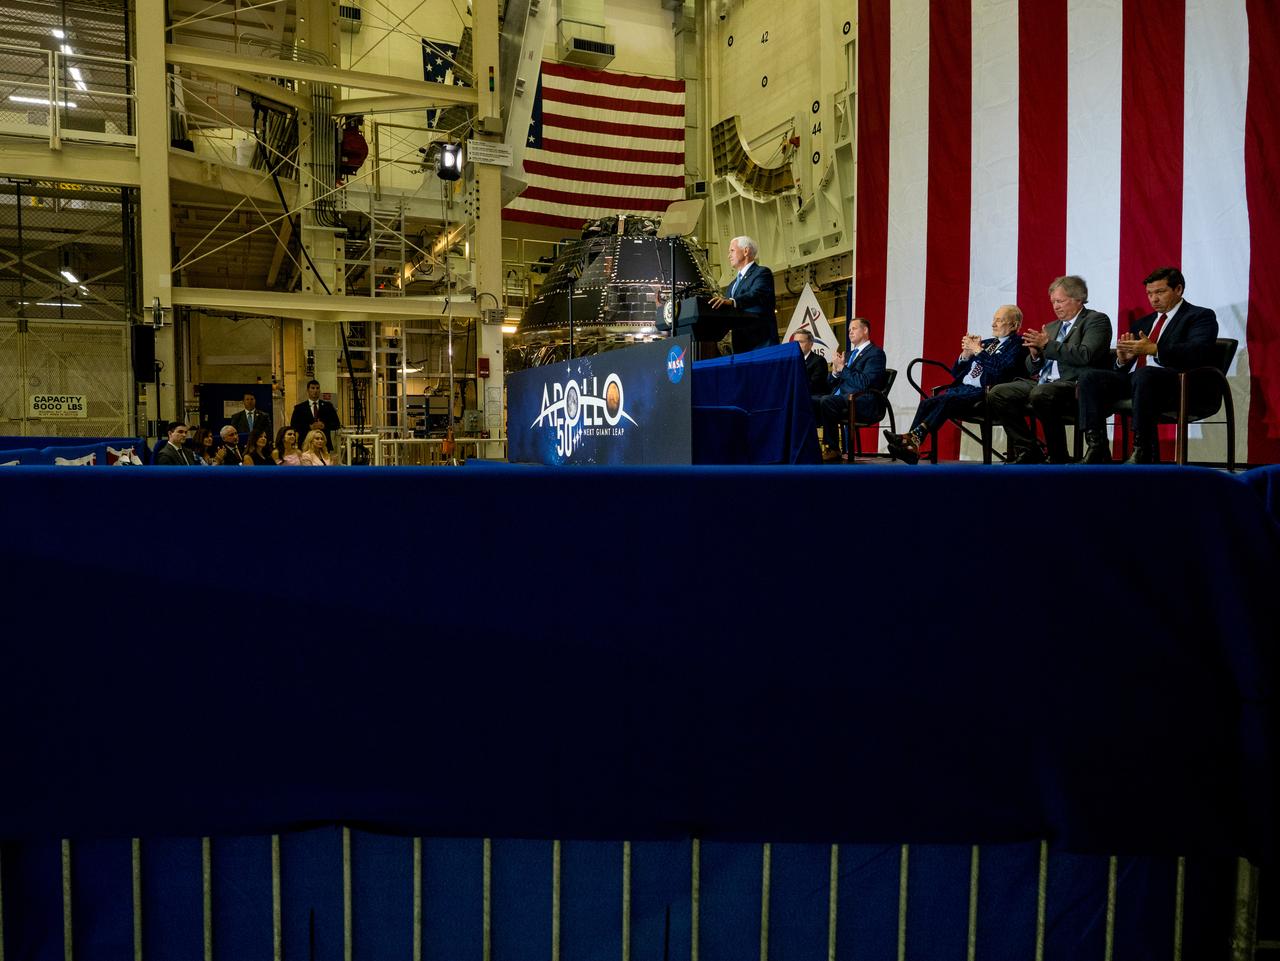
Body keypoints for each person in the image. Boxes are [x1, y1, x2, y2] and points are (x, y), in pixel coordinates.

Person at [1077, 267, 1219, 464]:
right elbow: (1126, 366)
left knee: (1145, 375)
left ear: (1178, 289)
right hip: (1141, 381)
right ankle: (1097, 447)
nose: (1153, 299)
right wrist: (1123, 361)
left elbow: (1198, 352)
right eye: (1150, 294)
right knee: (1090, 377)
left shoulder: (1199, 316)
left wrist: (1155, 349)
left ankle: (1142, 449)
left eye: (1160, 292)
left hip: (1179, 384)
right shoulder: (1143, 323)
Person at [987, 276, 1113, 464]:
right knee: (999, 393)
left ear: (1079, 299)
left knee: (1042, 393)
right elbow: (1032, 368)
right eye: (1053, 301)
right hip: (1043, 382)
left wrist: (1048, 344)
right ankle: (1029, 449)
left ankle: (1057, 454)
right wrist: (1036, 355)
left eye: (1060, 301)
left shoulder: (1096, 321)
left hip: (1075, 385)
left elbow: (1086, 355)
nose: (1056, 306)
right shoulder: (1052, 327)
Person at [885, 305, 1025, 465]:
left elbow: (1000, 370)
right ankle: (910, 446)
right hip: (963, 389)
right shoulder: (987, 343)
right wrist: (965, 355)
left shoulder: (1018, 345)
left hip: (984, 393)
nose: (993, 324)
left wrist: (978, 351)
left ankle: (910, 442)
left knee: (947, 400)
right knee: (926, 403)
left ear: (1014, 325)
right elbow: (956, 373)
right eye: (993, 320)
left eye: (999, 320)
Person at [810, 317, 887, 462]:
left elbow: (865, 383)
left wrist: (843, 369)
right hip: (841, 398)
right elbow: (832, 385)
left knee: (827, 401)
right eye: (849, 330)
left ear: (865, 330)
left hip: (862, 401)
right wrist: (835, 372)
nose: (850, 332)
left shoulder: (875, 354)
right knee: (809, 401)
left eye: (854, 329)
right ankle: (809, 446)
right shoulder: (851, 354)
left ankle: (832, 448)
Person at [708, 236, 778, 353]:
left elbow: (757, 294)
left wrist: (733, 302)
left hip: (762, 345)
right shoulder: (732, 285)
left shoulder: (762, 273)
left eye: (732, 251)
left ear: (746, 251)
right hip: (741, 347)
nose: (728, 255)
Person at [289, 379, 342, 449]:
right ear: (308, 390)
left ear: (319, 390)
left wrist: (324, 426)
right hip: (306, 444)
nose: (315, 390)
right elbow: (294, 426)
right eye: (312, 388)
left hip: (324, 445)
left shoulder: (328, 406)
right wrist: (309, 427)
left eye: (317, 388)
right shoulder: (299, 408)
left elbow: (337, 424)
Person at [791, 329, 829, 396]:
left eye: (801, 342)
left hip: (810, 397)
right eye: (795, 342)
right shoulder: (791, 362)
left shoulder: (819, 361)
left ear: (811, 344)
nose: (796, 345)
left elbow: (814, 385)